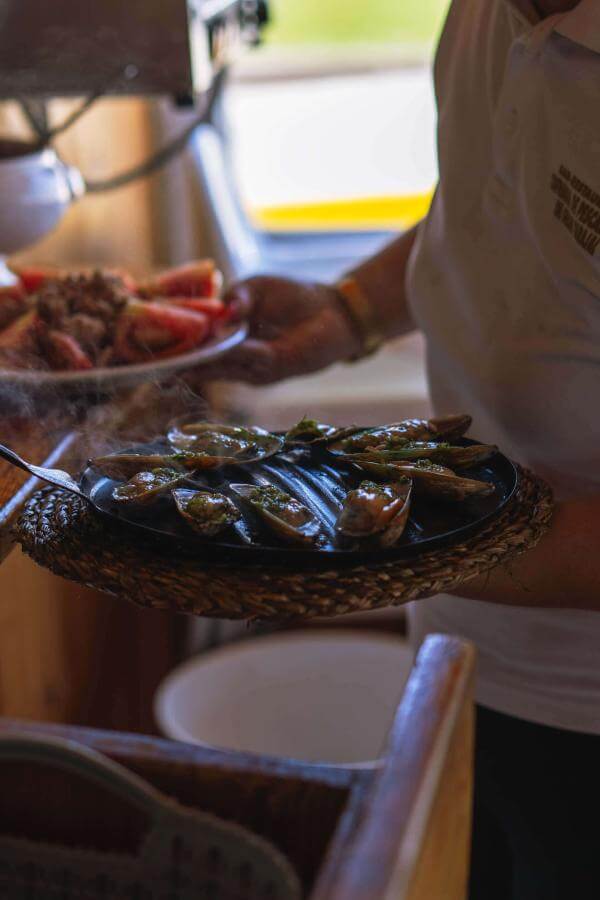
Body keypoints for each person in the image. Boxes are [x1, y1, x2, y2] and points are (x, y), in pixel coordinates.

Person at [199, 1, 600, 896]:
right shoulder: (491, 12)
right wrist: (348, 313)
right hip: (460, 660)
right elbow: (491, 208)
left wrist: (379, 545)